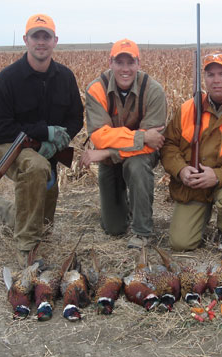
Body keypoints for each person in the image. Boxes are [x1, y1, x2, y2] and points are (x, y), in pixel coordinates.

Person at [0, 13, 84, 268]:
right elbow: (1, 129)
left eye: (46, 36)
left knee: (44, 225)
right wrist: (45, 134)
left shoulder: (65, 77)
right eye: (35, 36)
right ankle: (26, 249)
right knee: (36, 167)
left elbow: (76, 118)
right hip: (10, 146)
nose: (41, 42)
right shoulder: (8, 78)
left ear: (55, 41)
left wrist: (59, 141)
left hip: (45, 149)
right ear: (25, 40)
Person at [161, 52, 222, 251]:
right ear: (204, 79)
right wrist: (181, 170)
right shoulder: (188, 108)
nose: (216, 80)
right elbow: (168, 145)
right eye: (210, 75)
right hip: (193, 187)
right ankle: (200, 216)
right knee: (181, 244)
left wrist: (217, 176)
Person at [80, 39, 167, 249]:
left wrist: (105, 152)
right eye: (120, 62)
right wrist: (141, 137)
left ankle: (142, 231)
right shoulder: (96, 89)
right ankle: (127, 208)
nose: (125, 69)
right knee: (114, 228)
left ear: (138, 63)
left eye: (131, 62)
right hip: (111, 161)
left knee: (136, 165)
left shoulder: (154, 91)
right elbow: (99, 137)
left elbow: (153, 143)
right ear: (110, 62)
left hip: (138, 157)